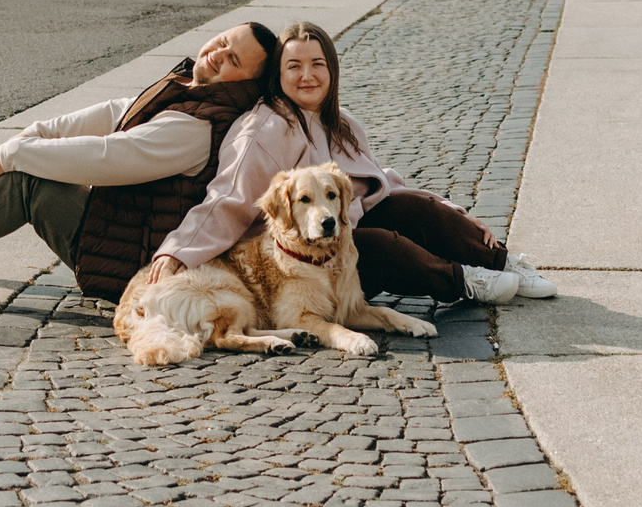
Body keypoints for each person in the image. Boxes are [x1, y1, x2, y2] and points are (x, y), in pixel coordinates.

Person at [0, 24, 279, 300]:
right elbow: (115, 113)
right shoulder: (189, 86)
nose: (217, 55)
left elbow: (110, 157)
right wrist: (37, 134)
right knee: (23, 165)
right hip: (116, 226)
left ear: (248, 83)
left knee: (26, 181)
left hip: (129, 261)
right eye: (221, 43)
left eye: (233, 60)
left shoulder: (200, 127)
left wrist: (19, 153)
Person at [147, 20, 555, 308]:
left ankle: (500, 261)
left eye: (317, 64)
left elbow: (383, 184)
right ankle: (464, 282)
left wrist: (451, 211)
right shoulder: (264, 129)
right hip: (293, 262)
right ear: (279, 76)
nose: (307, 76)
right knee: (372, 245)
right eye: (294, 66)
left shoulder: (342, 124)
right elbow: (228, 199)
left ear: (332, 71)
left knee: (416, 207)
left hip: (337, 237)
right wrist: (178, 253)